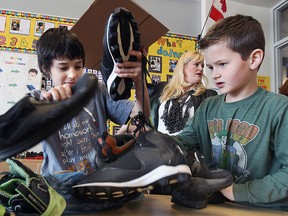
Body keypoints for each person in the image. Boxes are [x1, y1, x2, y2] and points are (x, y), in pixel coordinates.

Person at [172, 14, 288, 211]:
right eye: (210, 67)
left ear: (254, 59)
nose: (214, 74)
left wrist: (234, 191)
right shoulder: (208, 107)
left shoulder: (279, 108)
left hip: (265, 210)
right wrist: (150, 142)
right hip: (217, 207)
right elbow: (182, 143)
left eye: (222, 64)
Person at [29, 26, 149, 214]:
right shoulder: (37, 100)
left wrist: (140, 82)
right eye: (63, 67)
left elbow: (139, 119)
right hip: (61, 191)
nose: (73, 74)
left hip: (98, 184)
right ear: (46, 68)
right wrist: (42, 108)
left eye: (78, 66)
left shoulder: (96, 90)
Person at [150, 50, 217, 135]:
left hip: (186, 147)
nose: (200, 68)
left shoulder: (208, 95)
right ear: (183, 67)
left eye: (202, 66)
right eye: (196, 64)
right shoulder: (163, 89)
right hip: (160, 145)